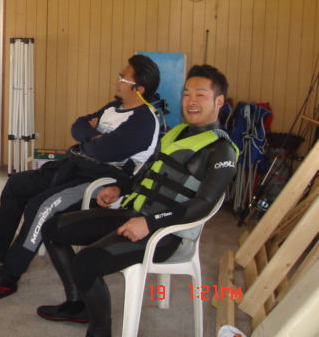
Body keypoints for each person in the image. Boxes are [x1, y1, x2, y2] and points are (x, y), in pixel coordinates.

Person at [37, 64, 239, 337]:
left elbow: (203, 204)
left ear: (219, 101)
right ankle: (78, 304)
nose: (191, 101)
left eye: (200, 95)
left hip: (167, 234)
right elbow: (147, 173)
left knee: (86, 263)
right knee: (52, 229)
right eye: (187, 94)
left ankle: (99, 332)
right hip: (135, 213)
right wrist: (120, 188)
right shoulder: (175, 133)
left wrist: (150, 223)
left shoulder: (222, 150)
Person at [0, 54, 161, 302]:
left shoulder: (144, 120)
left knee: (41, 206)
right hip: (75, 166)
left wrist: (92, 138)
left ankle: (8, 279)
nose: (117, 81)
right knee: (17, 183)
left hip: (101, 182)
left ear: (139, 88)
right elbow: (78, 125)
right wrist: (93, 136)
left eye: (123, 78)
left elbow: (104, 151)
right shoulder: (112, 107)